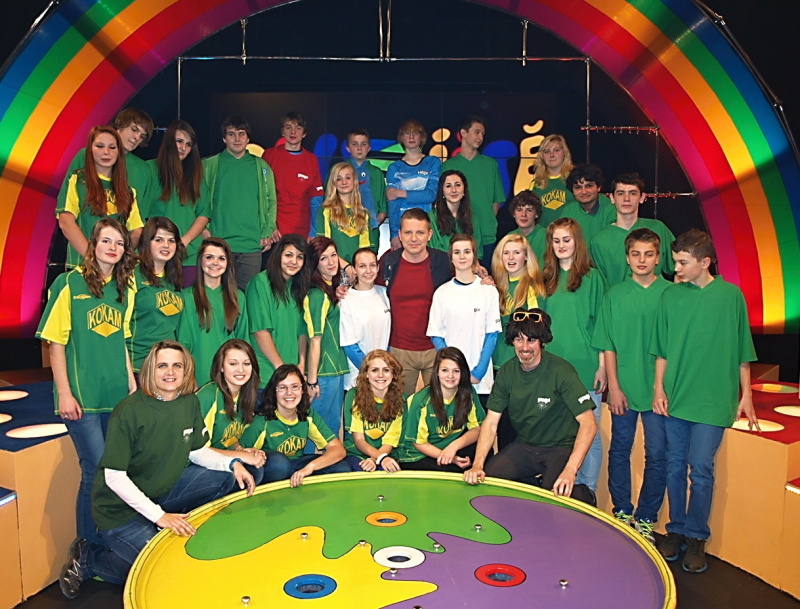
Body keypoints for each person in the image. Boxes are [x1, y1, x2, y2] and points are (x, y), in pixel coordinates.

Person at [57, 341, 255, 598]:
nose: (170, 372)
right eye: (162, 366)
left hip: (160, 493)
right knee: (159, 569)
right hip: (120, 510)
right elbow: (114, 477)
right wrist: (159, 516)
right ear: (150, 369)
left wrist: (232, 463)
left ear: (186, 370)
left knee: (225, 477)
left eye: (177, 366)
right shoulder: (128, 411)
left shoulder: (188, 403)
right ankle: (89, 559)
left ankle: (170, 527)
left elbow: (196, 452)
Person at [650, 229, 758, 573]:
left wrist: (747, 394)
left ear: (705, 261)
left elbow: (743, 350)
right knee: (674, 465)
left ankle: (697, 536)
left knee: (701, 468)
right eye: (675, 261)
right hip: (677, 397)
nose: (676, 268)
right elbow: (662, 350)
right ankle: (676, 529)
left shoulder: (731, 296)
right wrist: (658, 389)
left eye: (683, 262)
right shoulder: (670, 296)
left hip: (713, 400)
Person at [36, 218, 137, 550]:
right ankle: (86, 547)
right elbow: (55, 343)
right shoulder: (69, 283)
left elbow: (121, 341)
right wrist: (64, 393)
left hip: (115, 394)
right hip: (83, 397)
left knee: (114, 470)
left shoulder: (125, 289)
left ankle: (109, 539)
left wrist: (131, 383)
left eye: (119, 243)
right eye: (106, 240)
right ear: (93, 245)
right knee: (95, 469)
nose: (113, 247)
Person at [463, 309, 597, 506]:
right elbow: (490, 423)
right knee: (489, 480)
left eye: (531, 340)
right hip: (525, 446)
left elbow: (589, 423)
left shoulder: (561, 371)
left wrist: (570, 470)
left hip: (559, 447)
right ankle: (535, 485)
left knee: (554, 497)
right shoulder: (507, 372)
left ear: (542, 341)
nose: (525, 347)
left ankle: (583, 494)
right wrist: (477, 465)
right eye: (519, 340)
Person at [591, 228, 671, 543]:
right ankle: (622, 511)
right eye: (636, 254)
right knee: (620, 449)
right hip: (623, 387)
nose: (642, 260)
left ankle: (647, 517)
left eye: (648, 254)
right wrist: (614, 386)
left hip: (659, 392)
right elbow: (608, 345)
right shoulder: (614, 295)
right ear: (627, 258)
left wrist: (662, 387)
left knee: (658, 454)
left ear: (658, 257)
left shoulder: (671, 294)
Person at [542, 217, 606, 492]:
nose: (561, 245)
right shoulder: (546, 278)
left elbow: (602, 326)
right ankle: (565, 489)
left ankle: (587, 491)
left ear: (577, 241)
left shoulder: (593, 278)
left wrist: (602, 366)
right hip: (553, 369)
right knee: (559, 434)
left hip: (585, 366)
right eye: (556, 240)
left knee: (589, 432)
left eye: (566, 240)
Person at [378, 208, 453, 396]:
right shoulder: (388, 262)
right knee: (399, 406)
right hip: (399, 350)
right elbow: (369, 290)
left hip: (437, 347)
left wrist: (484, 278)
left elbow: (464, 284)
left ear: (429, 235)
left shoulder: (444, 262)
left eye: (420, 232)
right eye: (408, 232)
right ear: (399, 235)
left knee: (439, 405)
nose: (414, 239)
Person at [239, 364, 350, 485]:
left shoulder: (307, 414)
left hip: (296, 465)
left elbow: (338, 449)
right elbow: (241, 455)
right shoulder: (261, 421)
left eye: (295, 387)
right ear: (274, 392)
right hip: (272, 469)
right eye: (282, 387)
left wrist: (311, 467)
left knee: (341, 467)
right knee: (279, 463)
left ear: (302, 390)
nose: (289, 392)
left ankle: (304, 488)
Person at [203, 115, 277, 290]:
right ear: (224, 138)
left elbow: (271, 200)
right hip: (218, 244)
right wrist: (204, 230)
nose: (237, 139)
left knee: (247, 297)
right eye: (231, 134)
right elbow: (199, 201)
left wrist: (268, 230)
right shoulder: (209, 165)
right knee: (217, 296)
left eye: (241, 134)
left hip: (250, 245)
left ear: (248, 138)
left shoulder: (261, 166)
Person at [56, 125, 144, 268]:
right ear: (90, 149)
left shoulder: (128, 190)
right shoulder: (77, 180)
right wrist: (93, 258)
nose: (106, 152)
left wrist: (120, 257)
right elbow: (66, 222)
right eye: (100, 146)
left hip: (113, 271)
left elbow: (136, 231)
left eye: (112, 147)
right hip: (81, 267)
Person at [427, 234, 502, 397]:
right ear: (451, 257)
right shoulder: (441, 293)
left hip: (480, 381)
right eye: (457, 252)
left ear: (474, 255)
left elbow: (492, 335)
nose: (462, 256)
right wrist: (453, 370)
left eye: (467, 252)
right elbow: (436, 335)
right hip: (450, 380)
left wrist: (478, 372)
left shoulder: (488, 291)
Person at [490, 233, 546, 449]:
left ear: (526, 257)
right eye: (506, 253)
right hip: (497, 366)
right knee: (502, 427)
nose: (511, 257)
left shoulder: (534, 288)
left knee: (523, 427)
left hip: (522, 367)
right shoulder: (494, 287)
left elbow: (537, 333)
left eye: (517, 252)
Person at [60, 108, 155, 225]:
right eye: (134, 129)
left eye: (142, 136)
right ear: (120, 125)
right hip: (82, 231)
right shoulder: (86, 154)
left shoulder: (143, 169)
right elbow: (65, 207)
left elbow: (139, 218)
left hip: (123, 234)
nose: (137, 137)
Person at [177, 237, 249, 385]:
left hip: (230, 378)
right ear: (200, 261)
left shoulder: (238, 297)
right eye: (209, 257)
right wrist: (189, 378)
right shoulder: (186, 297)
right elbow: (183, 343)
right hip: (197, 377)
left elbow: (243, 341)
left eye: (221, 258)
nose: (215, 262)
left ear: (228, 263)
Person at [401, 347, 485, 473]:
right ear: (437, 372)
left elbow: (477, 428)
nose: (450, 376)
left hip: (449, 445)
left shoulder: (468, 393)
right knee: (451, 470)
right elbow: (418, 443)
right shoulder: (421, 401)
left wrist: (454, 447)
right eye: (445, 370)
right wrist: (450, 458)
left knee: (484, 452)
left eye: (456, 371)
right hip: (419, 454)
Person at [147, 119, 210, 286]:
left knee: (188, 300)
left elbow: (204, 214)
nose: (183, 148)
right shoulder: (149, 170)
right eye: (179, 141)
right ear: (169, 141)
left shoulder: (196, 175)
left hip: (188, 255)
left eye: (188, 144)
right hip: (155, 254)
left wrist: (184, 241)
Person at [196, 339, 266, 484]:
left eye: (246, 364)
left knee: (259, 468)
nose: (241, 370)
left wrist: (242, 450)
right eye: (233, 364)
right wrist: (240, 456)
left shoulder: (246, 396)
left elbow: (229, 439)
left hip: (224, 459)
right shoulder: (208, 396)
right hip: (196, 464)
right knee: (228, 477)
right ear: (221, 367)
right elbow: (198, 451)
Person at [246, 234, 310, 387]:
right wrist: (281, 369)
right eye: (288, 255)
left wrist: (301, 364)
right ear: (278, 255)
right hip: (267, 375)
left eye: (300, 257)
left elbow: (302, 332)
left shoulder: (298, 288)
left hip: (292, 376)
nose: (294, 261)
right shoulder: (260, 282)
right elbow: (260, 332)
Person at [589, 173, 675, 287]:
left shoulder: (658, 228)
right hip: (617, 298)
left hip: (656, 297)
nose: (626, 199)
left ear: (642, 197)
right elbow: (598, 284)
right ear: (612, 198)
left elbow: (679, 266)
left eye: (633, 193)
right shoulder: (599, 241)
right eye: (620, 193)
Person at [441, 115, 505, 265]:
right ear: (463, 133)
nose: (480, 137)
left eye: (483, 134)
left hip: (486, 234)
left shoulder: (491, 164)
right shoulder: (448, 166)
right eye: (476, 132)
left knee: (485, 276)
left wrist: (487, 224)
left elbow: (496, 202)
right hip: (458, 235)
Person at [303, 237, 350, 438]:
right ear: (315, 263)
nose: (331, 262)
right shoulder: (317, 295)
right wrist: (312, 382)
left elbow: (355, 275)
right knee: (318, 432)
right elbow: (315, 340)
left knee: (331, 429)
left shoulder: (331, 289)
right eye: (323, 258)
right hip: (323, 373)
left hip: (336, 369)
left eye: (333, 255)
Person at [127, 216, 185, 373]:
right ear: (147, 242)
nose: (166, 245)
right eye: (158, 239)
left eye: (171, 240)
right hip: (138, 366)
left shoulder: (173, 279)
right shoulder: (132, 275)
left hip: (167, 367)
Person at [262, 111, 324, 240]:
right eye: (288, 127)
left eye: (298, 128)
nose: (293, 132)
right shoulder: (269, 156)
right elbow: (262, 195)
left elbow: (316, 198)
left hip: (303, 230)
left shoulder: (311, 160)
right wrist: (270, 226)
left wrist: (313, 231)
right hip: (275, 232)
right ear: (282, 131)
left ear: (304, 133)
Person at [342, 350, 404, 472]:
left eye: (386, 370)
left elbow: (390, 441)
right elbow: (359, 440)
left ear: (393, 374)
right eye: (375, 370)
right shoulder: (353, 396)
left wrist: (376, 459)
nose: (380, 375)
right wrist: (379, 458)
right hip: (357, 453)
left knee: (386, 472)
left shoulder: (400, 400)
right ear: (366, 374)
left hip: (385, 453)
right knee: (362, 470)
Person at [339, 247, 391, 391]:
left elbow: (388, 335)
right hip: (358, 375)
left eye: (372, 265)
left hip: (383, 375)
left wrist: (383, 369)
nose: (368, 271)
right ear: (354, 270)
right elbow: (349, 345)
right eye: (362, 266)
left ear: (378, 267)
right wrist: (370, 370)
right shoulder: (345, 299)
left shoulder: (384, 293)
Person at [386, 119, 441, 249]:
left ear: (421, 137)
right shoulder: (394, 168)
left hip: (428, 225)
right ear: (401, 138)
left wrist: (400, 193)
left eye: (415, 133)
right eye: (407, 133)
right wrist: (394, 234)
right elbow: (393, 203)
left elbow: (431, 195)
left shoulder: (433, 162)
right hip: (404, 227)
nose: (411, 137)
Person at [315, 162, 375, 263]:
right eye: (339, 179)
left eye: (348, 178)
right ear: (333, 183)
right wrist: (346, 267)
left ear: (354, 181)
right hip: (334, 267)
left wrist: (357, 269)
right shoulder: (326, 210)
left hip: (357, 269)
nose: (344, 182)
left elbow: (365, 250)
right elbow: (324, 248)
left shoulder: (363, 214)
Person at [428, 169, 483, 260]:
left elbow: (478, 252)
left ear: (464, 189)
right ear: (442, 191)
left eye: (458, 185)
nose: (454, 190)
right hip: (441, 265)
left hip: (468, 266)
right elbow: (434, 252)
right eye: (448, 186)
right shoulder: (432, 218)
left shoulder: (473, 218)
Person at [345, 128, 387, 244]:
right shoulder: (338, 171)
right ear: (348, 148)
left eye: (363, 144)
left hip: (371, 230)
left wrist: (374, 223)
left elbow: (383, 206)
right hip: (345, 231)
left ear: (369, 148)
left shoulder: (376, 173)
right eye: (355, 144)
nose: (359, 148)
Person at [558, 164, 615, 243]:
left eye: (589, 186)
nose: (584, 192)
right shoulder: (569, 211)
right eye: (578, 187)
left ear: (598, 187)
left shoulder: (612, 209)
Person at [528, 134, 575, 227]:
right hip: (544, 234)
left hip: (571, 233)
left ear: (565, 153)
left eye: (556, 150)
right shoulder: (535, 184)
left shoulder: (575, 179)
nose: (551, 155)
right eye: (546, 151)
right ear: (542, 156)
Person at [505, 189, 547, 266]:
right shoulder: (510, 236)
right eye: (519, 210)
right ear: (514, 213)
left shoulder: (545, 236)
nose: (523, 214)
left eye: (529, 210)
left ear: (537, 214)